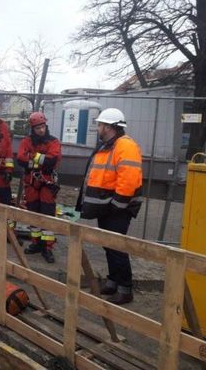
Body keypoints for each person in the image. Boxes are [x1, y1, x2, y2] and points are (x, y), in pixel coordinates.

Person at [76, 108, 142, 305]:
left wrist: (116, 205)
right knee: (109, 246)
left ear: (108, 126)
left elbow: (128, 181)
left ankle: (125, 289)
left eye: (100, 124)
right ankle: (113, 282)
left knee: (117, 248)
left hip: (117, 209)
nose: (98, 128)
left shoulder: (125, 146)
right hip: (107, 207)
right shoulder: (108, 145)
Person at [17, 112, 61, 263]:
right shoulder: (27, 141)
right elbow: (20, 160)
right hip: (31, 183)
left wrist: (33, 156)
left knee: (47, 215)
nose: (41, 130)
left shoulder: (53, 141)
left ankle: (47, 247)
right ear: (32, 129)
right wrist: (39, 159)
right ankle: (37, 243)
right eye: (38, 128)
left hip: (47, 183)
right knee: (33, 214)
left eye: (43, 127)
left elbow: (51, 161)